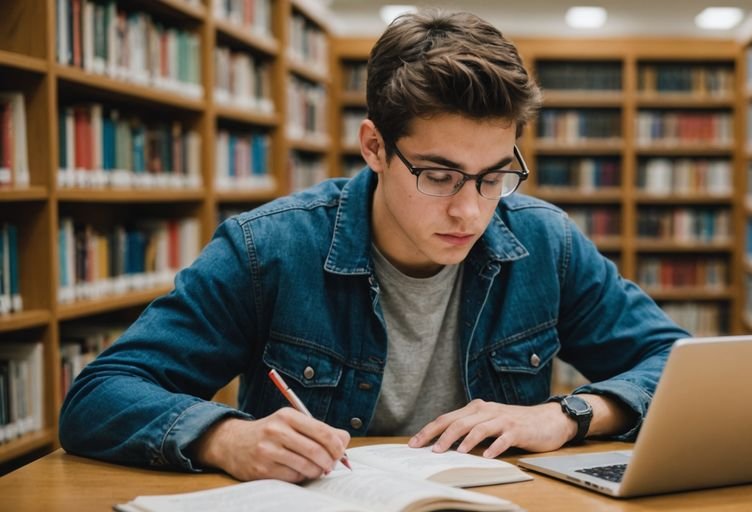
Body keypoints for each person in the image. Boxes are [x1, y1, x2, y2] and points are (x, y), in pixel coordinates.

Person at [59, 11, 687, 483]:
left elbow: (676, 365)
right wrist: (223, 439)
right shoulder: (268, 247)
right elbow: (100, 395)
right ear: (374, 147)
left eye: (494, 176)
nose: (469, 209)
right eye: (438, 176)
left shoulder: (544, 240)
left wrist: (568, 415)